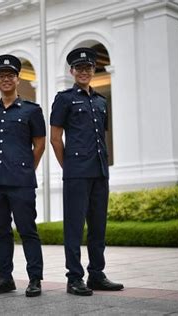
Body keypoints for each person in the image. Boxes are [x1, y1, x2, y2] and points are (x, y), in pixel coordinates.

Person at [50, 47, 123, 296]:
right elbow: (55, 138)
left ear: (94, 70)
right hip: (77, 172)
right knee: (74, 226)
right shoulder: (64, 99)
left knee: (98, 226)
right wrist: (68, 166)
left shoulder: (102, 101)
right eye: (79, 68)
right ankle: (74, 277)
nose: (84, 72)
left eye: (88, 68)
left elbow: (101, 135)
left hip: (100, 171)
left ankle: (96, 274)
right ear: (72, 71)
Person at [0, 54, 45, 297]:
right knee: (1, 233)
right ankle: (4, 278)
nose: (6, 79)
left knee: (28, 230)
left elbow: (39, 144)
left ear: (17, 79)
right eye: (1, 76)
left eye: (10, 75)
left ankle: (35, 278)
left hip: (21, 182)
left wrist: (28, 168)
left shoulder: (31, 110)